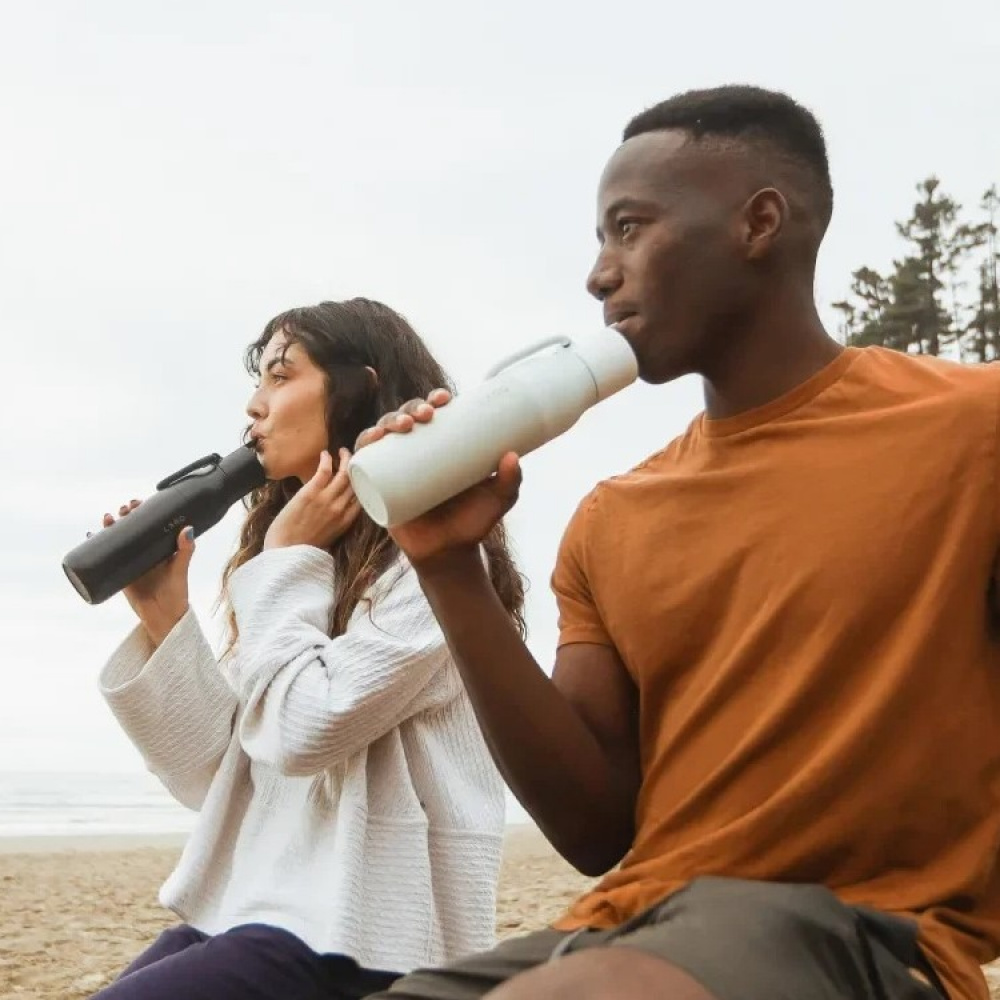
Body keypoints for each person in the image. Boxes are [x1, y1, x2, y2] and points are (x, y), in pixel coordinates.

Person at [354, 87, 1000, 1000]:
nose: (598, 273)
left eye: (629, 228)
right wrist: (448, 566)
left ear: (759, 224)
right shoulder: (615, 517)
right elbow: (592, 830)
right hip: (630, 923)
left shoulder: (973, 431)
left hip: (855, 938)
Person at [88, 298, 525, 1000]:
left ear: (361, 388)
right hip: (260, 906)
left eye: (281, 376)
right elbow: (222, 775)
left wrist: (286, 556)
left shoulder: (435, 566)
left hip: (368, 933)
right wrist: (164, 614)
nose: (255, 406)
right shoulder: (299, 569)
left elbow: (302, 731)